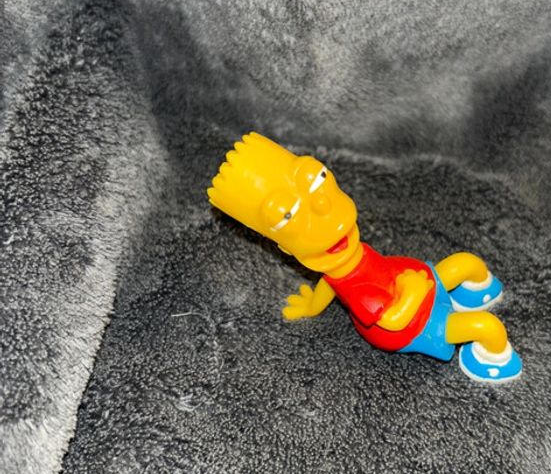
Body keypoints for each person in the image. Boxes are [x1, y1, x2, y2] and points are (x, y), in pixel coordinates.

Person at [208, 132, 522, 383]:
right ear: (288, 249)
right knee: (487, 327)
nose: (323, 208)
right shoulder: (357, 288)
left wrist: (313, 305)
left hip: (413, 278)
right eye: (287, 216)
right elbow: (392, 321)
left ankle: (476, 292)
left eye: (317, 179)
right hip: (416, 322)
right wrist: (414, 291)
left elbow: (329, 282)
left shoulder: (340, 266)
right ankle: (493, 360)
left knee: (468, 263)